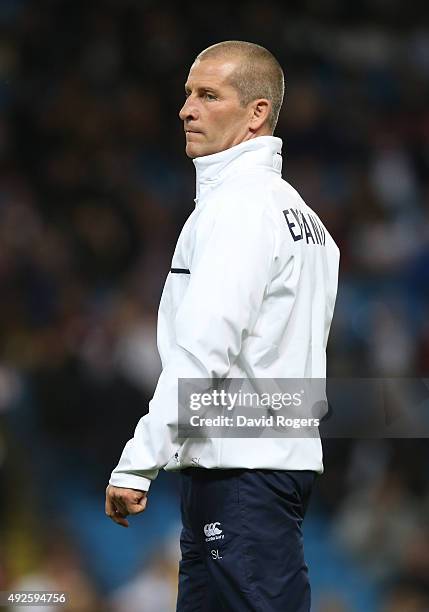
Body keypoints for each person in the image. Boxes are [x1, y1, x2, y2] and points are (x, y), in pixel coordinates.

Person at [105, 40, 340, 611]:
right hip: (261, 470)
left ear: (257, 113)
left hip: (240, 477)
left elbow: (203, 353)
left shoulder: (239, 211)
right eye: (188, 94)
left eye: (208, 95)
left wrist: (139, 460)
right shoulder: (304, 219)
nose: (187, 109)